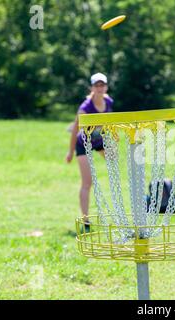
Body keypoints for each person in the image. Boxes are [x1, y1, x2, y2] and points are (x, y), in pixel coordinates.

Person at [66, 73, 114, 232]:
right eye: (97, 85)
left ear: (106, 87)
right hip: (84, 143)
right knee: (87, 182)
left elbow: (109, 124)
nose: (100, 88)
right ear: (92, 88)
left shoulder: (108, 102)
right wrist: (70, 152)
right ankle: (86, 220)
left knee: (114, 163)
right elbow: (75, 130)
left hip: (99, 140)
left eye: (102, 85)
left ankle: (115, 209)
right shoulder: (85, 108)